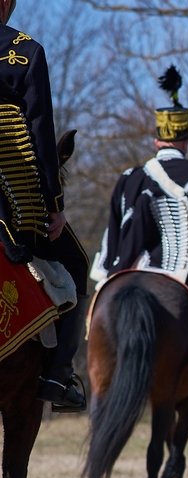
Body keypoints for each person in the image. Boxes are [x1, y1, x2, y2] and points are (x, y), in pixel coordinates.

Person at [95, 65, 188, 392]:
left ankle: (64, 369)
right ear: (186, 139)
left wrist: (116, 266)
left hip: (132, 264)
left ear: (156, 138)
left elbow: (116, 228)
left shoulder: (130, 177)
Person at [0, 0, 89, 412]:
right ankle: (58, 374)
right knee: (75, 262)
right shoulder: (25, 51)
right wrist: (53, 204)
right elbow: (38, 131)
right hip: (9, 205)